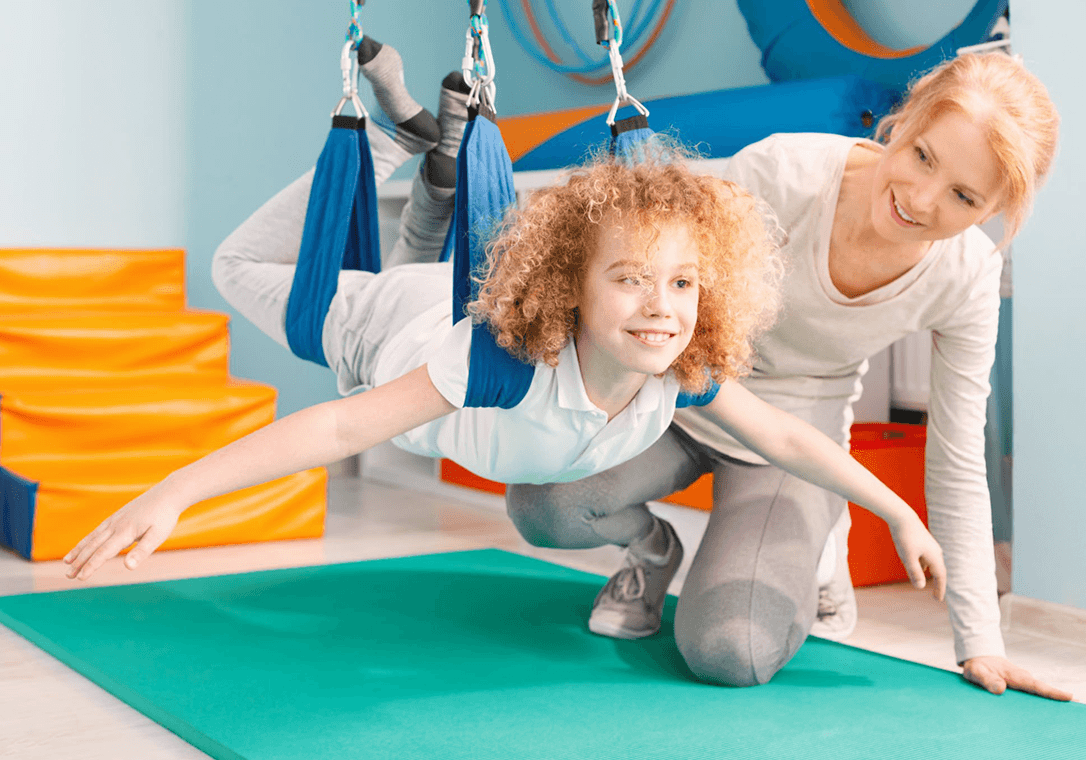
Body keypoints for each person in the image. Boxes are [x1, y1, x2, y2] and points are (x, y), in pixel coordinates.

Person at [63, 43, 946, 609]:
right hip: (382, 334)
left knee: (421, 265)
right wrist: (177, 489)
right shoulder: (497, 363)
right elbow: (335, 428)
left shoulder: (677, 368)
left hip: (439, 300)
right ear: (571, 288)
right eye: (630, 279)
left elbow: (786, 437)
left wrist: (898, 511)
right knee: (240, 268)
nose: (661, 306)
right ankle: (389, 142)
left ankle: (431, 157)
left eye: (682, 283)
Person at [506, 52, 1071, 701]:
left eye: (964, 196)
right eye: (922, 156)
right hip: (686, 402)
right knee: (543, 504)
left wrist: (980, 641)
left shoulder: (966, 278)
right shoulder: (781, 171)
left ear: (996, 209)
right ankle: (654, 551)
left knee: (729, 651)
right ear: (907, 118)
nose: (921, 199)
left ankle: (814, 552)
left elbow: (957, 456)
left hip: (793, 448)